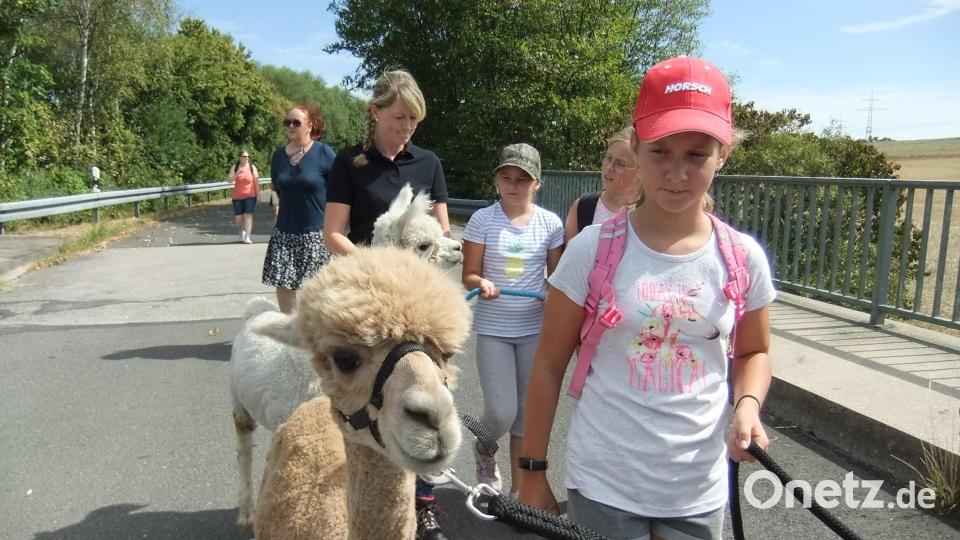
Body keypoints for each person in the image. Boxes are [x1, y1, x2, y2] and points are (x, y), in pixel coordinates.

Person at [518, 56, 777, 540]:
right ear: (635, 148)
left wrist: (747, 406)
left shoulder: (743, 258)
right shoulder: (591, 250)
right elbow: (549, 365)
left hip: (697, 491)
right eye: (660, 152)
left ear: (723, 154)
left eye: (696, 154)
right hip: (603, 486)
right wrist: (531, 471)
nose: (677, 173)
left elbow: (753, 351)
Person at [323, 69, 451, 540]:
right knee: (369, 404)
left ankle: (425, 504)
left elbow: (441, 230)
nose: (407, 128)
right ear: (375, 112)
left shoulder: (428, 162)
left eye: (414, 120)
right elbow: (333, 233)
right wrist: (376, 268)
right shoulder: (348, 163)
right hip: (369, 303)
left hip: (418, 307)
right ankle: (356, 500)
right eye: (399, 117)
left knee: (427, 402)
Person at [461, 143, 564, 498]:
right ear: (497, 180)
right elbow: (469, 275)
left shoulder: (550, 224)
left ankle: (519, 494)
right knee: (501, 412)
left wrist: (551, 292)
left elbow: (556, 278)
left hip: (533, 330)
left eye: (522, 179)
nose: (513, 185)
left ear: (537, 183)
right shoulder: (482, 220)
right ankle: (484, 448)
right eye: (506, 177)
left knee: (525, 416)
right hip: (494, 330)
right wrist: (481, 282)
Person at [261, 103, 336, 314]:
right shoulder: (278, 156)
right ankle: (289, 326)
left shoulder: (323, 152)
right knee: (284, 283)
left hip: (316, 233)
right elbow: (277, 189)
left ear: (309, 125)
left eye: (296, 122)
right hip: (284, 232)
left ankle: (316, 328)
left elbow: (340, 189)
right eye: (288, 122)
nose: (291, 126)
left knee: (319, 288)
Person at [563, 127, 643, 243]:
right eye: (608, 158)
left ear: (640, 171)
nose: (609, 167)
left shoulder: (650, 214)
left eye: (620, 164)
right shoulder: (582, 207)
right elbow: (570, 254)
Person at [228, 149, 260, 244]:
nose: (247, 158)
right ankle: (241, 232)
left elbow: (256, 182)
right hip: (237, 196)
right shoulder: (235, 167)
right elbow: (229, 180)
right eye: (244, 156)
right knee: (238, 217)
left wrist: (258, 195)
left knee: (248, 215)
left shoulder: (252, 167)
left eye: (248, 156)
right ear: (240, 158)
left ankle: (247, 236)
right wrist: (237, 173)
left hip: (250, 195)